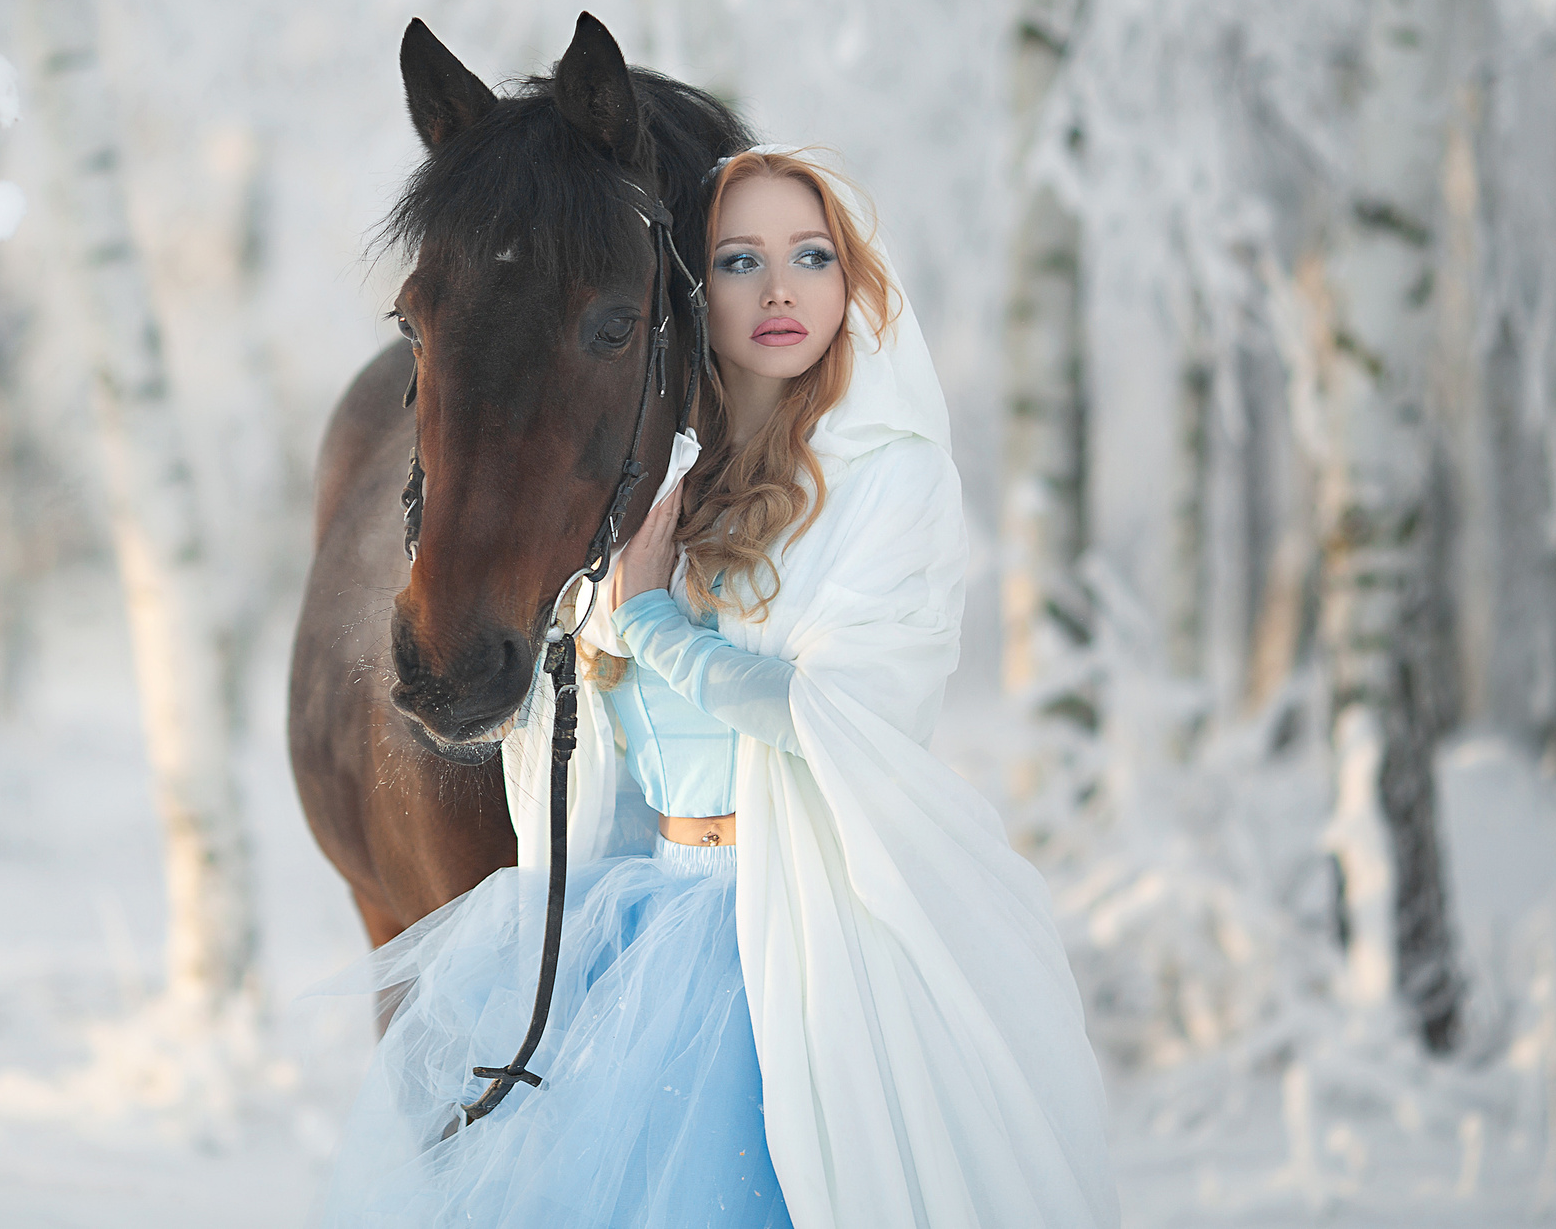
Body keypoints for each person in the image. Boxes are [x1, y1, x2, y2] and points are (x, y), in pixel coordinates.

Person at [319, 148, 1119, 1228]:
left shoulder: (890, 474)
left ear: (853, 279)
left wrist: (650, 624)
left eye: (812, 256)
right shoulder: (659, 481)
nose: (781, 290)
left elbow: (832, 712)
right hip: (657, 922)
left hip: (797, 927)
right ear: (692, 296)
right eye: (741, 260)